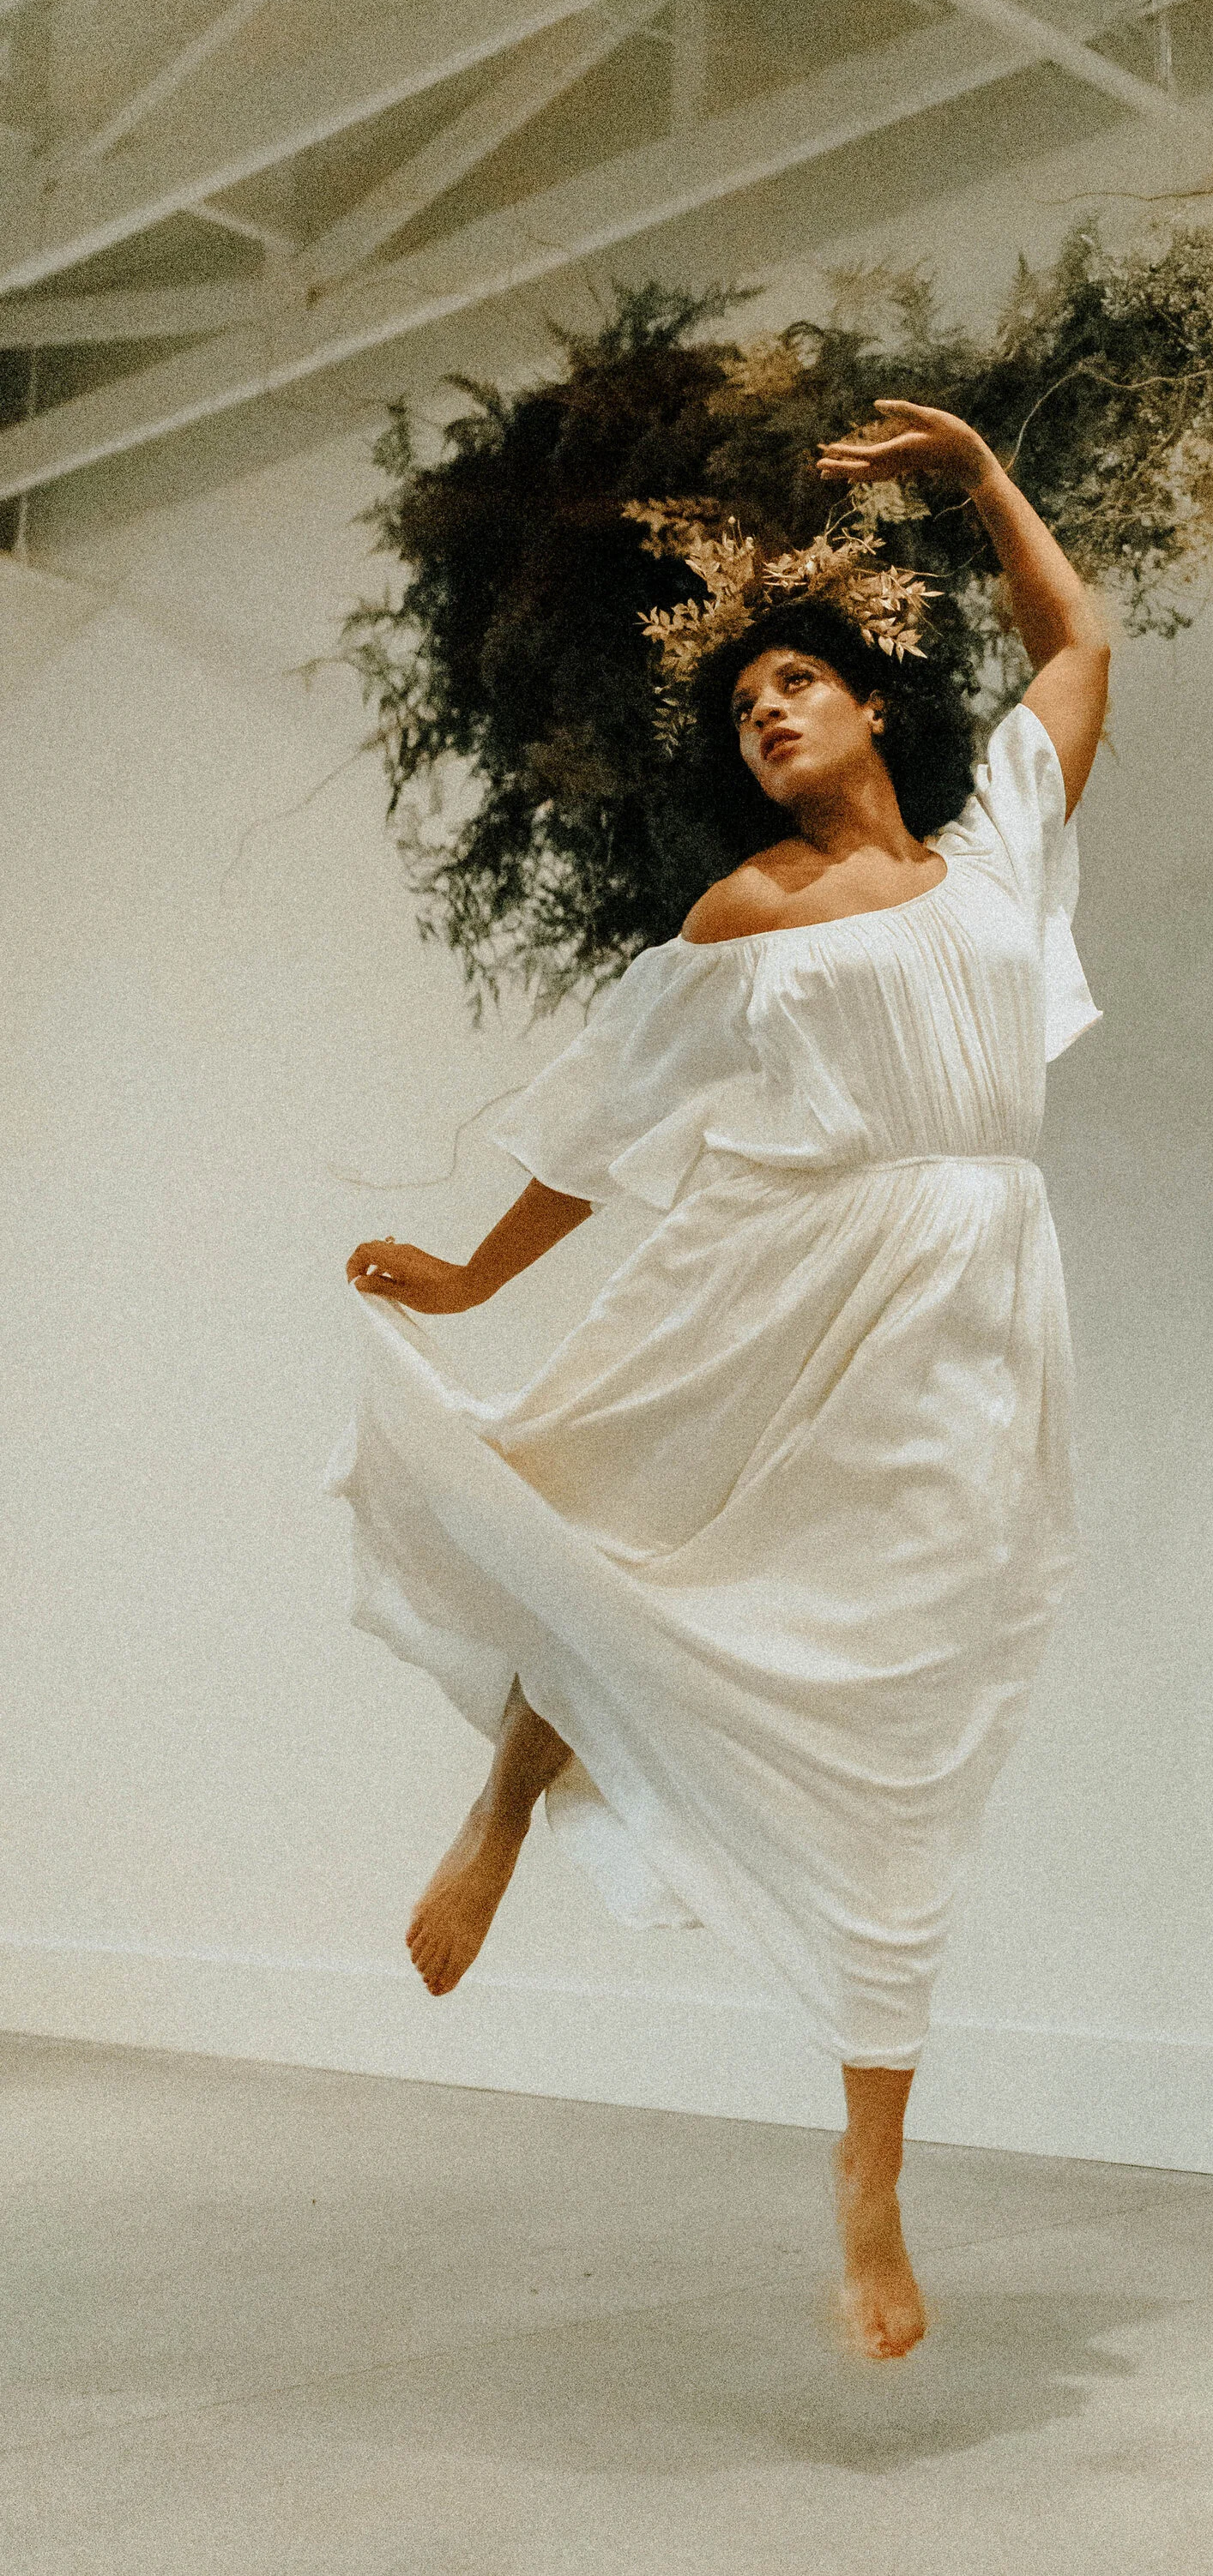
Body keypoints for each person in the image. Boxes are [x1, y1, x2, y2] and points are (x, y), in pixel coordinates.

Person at [332, 401, 1109, 2361]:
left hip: (976, 1296)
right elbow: (606, 1123)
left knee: (911, 1702)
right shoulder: (744, 917)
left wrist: (977, 475)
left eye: (799, 684)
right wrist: (466, 1268)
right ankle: (507, 1795)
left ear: (868, 709)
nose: (768, 713)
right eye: (746, 698)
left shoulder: (1002, 849)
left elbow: (1079, 649)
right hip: (789, 1263)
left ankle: (869, 2170)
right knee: (617, 1514)